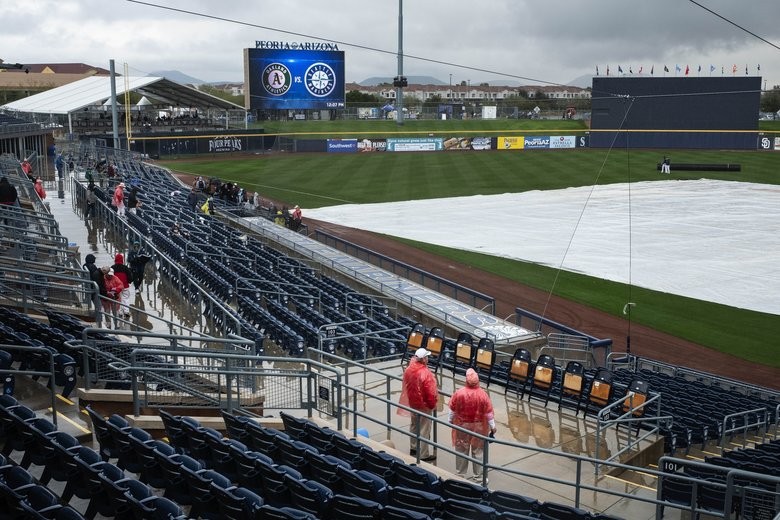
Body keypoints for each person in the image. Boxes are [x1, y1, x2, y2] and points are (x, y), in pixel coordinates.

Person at [448, 368, 497, 482]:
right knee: (478, 452)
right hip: (478, 429)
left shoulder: (459, 393)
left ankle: (459, 476)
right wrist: (493, 427)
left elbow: (452, 410)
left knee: (461, 450)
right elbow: (489, 414)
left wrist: (450, 421)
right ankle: (479, 478)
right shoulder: (483, 395)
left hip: (461, 427)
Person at [398, 347, 439, 461]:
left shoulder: (409, 369)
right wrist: (431, 405)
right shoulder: (425, 373)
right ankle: (424, 454)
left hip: (413, 402)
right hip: (424, 406)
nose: (428, 358)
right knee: (424, 429)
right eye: (427, 357)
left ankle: (414, 447)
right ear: (424, 359)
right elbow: (430, 393)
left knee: (414, 425)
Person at [112, 253, 133, 318]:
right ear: (122, 260)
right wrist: (129, 282)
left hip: (117, 287)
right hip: (125, 286)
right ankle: (126, 311)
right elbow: (130, 278)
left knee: (118, 299)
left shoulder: (113, 268)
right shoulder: (125, 268)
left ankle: (120, 312)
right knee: (126, 298)